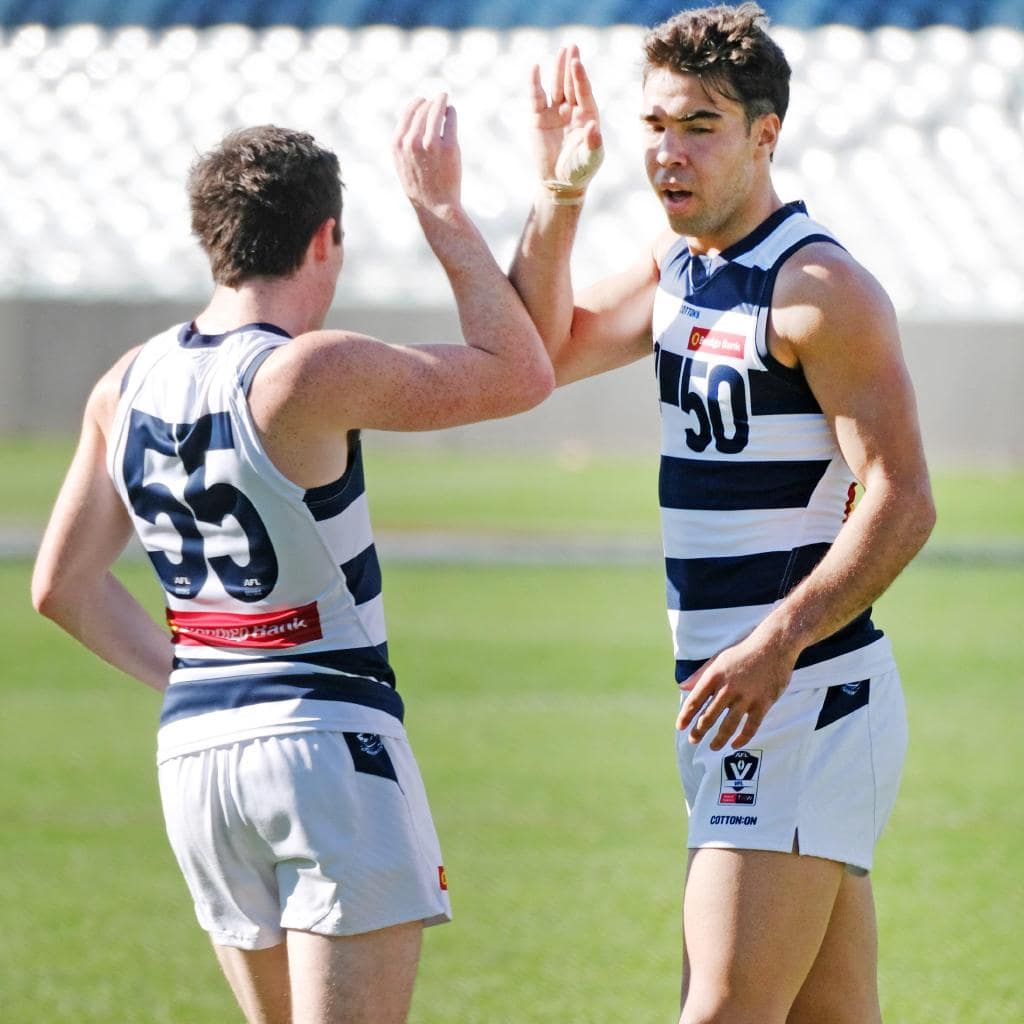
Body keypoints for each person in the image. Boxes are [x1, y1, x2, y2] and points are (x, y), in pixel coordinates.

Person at [31, 98, 553, 1024]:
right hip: (325, 747)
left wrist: (196, 675)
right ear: (326, 240)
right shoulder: (306, 370)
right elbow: (520, 372)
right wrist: (440, 211)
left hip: (195, 756)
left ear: (211, 239)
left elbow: (59, 588)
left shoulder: (125, 381)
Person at [509, 4, 935, 1022]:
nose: (667, 151)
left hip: (799, 697)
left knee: (719, 1009)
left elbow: (904, 499)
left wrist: (774, 644)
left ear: (764, 134)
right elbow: (535, 358)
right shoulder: (679, 268)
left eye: (699, 125)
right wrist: (560, 190)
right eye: (655, 125)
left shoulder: (816, 288)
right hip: (743, 699)